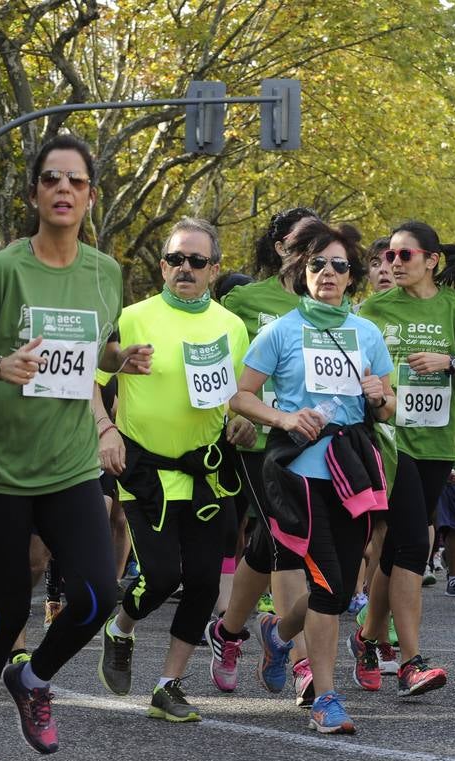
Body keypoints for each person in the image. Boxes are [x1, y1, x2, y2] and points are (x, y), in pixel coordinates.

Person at [0, 134, 151, 761]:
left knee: (95, 593)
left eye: (76, 181)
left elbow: (97, 350)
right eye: (52, 179)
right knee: (5, 611)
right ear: (34, 194)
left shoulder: (104, 272)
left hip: (67, 467)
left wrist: (124, 360)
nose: (64, 190)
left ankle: (32, 680)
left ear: (89, 196)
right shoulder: (5, 269)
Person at [229, 218, 394, 733]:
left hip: (352, 471)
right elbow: (240, 394)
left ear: (351, 277)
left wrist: (378, 397)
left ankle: (278, 634)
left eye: (339, 265)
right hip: (299, 472)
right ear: (303, 270)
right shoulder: (280, 331)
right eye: (318, 263)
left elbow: (387, 408)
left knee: (341, 590)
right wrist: (282, 418)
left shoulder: (367, 333)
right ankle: (326, 698)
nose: (327, 272)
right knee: (325, 583)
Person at [95, 217, 253, 722]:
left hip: (206, 471)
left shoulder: (231, 327)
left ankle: (169, 685)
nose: (185, 269)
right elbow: (90, 382)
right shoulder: (132, 316)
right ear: (163, 265)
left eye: (197, 261)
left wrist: (244, 424)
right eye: (176, 260)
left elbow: (240, 399)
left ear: (214, 269)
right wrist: (106, 430)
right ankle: (120, 628)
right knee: (160, 576)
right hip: (144, 468)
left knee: (205, 584)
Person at [355, 220, 455, 698]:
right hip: (391, 444)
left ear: (432, 260)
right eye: (389, 256)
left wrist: (448, 362)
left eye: (405, 255)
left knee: (396, 552)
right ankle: (411, 660)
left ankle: (366, 639)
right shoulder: (374, 309)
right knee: (415, 543)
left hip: (437, 446)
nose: (394, 264)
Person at [207, 207, 319, 695]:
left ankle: (229, 632)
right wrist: (235, 415)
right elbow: (221, 361)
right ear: (280, 248)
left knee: (268, 543)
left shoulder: (336, 307)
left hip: (314, 441)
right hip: (259, 439)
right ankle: (302, 664)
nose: (314, 254)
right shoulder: (245, 299)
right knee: (289, 542)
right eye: (301, 241)